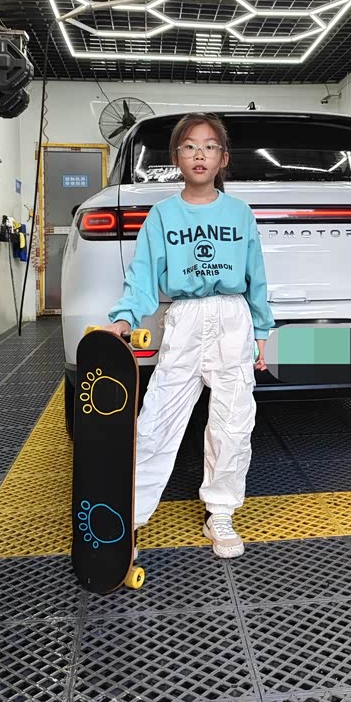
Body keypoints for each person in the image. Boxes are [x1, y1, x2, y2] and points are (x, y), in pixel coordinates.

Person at [104, 112, 274, 558]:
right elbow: (142, 275)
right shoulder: (162, 216)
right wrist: (125, 318)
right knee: (157, 420)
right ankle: (128, 517)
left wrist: (261, 329)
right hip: (184, 320)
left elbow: (256, 276)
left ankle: (221, 512)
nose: (200, 154)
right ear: (176, 157)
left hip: (233, 319)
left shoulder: (239, 213)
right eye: (190, 146)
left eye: (210, 146)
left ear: (223, 159)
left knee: (233, 424)